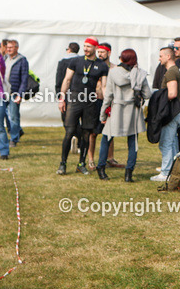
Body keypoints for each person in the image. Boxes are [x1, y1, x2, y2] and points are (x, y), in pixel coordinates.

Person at [57, 38, 109, 175]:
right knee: (69, 132)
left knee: (87, 133)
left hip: (90, 102)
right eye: (84, 46)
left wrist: (107, 104)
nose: (85, 48)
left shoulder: (102, 66)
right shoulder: (75, 61)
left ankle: (81, 163)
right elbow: (67, 80)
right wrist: (62, 98)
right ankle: (63, 163)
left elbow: (104, 87)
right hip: (75, 99)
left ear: (96, 48)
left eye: (89, 46)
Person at [98, 49, 149, 182]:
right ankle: (128, 173)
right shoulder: (140, 74)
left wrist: (103, 115)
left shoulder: (113, 72)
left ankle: (101, 168)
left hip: (117, 109)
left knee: (106, 139)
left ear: (121, 59)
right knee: (133, 142)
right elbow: (147, 94)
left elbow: (108, 96)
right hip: (133, 111)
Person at [152, 45, 180, 182]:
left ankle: (166, 173)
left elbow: (172, 93)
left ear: (168, 56)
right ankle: (172, 170)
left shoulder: (171, 72)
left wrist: (159, 99)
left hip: (170, 112)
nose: (159, 59)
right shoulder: (174, 70)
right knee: (171, 142)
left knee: (166, 143)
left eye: (161, 56)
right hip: (174, 112)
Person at [88, 42, 113, 169]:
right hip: (95, 102)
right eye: (99, 52)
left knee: (110, 132)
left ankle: (110, 158)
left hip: (109, 102)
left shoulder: (114, 68)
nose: (100, 54)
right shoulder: (93, 66)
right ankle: (91, 159)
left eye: (102, 52)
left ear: (109, 52)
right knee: (93, 132)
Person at [2, 39, 29, 146]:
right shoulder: (5, 58)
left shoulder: (22, 60)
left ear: (16, 48)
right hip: (3, 92)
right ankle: (18, 131)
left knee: (13, 116)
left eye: (11, 47)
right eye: (7, 47)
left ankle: (14, 139)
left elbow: (24, 79)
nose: (8, 49)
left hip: (14, 92)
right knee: (4, 115)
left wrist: (20, 94)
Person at [55, 42, 80, 122]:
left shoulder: (62, 62)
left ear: (69, 50)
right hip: (80, 93)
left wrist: (59, 95)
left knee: (66, 117)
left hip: (66, 92)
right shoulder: (81, 61)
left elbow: (59, 79)